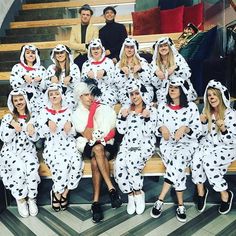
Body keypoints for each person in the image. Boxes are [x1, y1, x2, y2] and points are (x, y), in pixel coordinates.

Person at [150, 76, 202, 223]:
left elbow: (198, 131)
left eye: (176, 87)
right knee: (177, 165)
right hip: (168, 145)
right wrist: (162, 128)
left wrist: (185, 129)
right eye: (170, 87)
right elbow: (156, 127)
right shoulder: (162, 107)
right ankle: (180, 204)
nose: (172, 89)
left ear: (182, 90)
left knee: (178, 160)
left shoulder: (191, 107)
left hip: (187, 144)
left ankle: (161, 199)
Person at [71, 80, 122, 223]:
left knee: (95, 162)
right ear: (80, 97)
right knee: (97, 148)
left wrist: (105, 138)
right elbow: (87, 135)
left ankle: (95, 203)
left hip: (107, 143)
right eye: (86, 95)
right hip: (88, 145)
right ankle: (111, 188)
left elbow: (113, 130)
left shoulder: (105, 109)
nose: (90, 98)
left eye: (91, 94)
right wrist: (92, 112)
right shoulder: (76, 114)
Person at [191, 80, 236, 215]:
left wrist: (223, 129)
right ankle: (201, 192)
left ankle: (225, 193)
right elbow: (203, 134)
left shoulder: (232, 115)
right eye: (209, 95)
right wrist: (204, 123)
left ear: (221, 96)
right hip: (208, 144)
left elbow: (233, 141)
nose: (211, 97)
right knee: (196, 159)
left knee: (209, 162)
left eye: (214, 94)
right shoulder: (208, 113)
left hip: (227, 147)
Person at [37, 84, 83, 212]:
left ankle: (63, 193)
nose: (54, 96)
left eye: (56, 93)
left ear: (61, 95)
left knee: (76, 163)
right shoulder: (44, 112)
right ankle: (57, 193)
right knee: (61, 165)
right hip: (53, 145)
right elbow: (40, 133)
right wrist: (47, 123)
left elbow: (76, 131)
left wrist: (71, 124)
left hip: (69, 144)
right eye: (51, 94)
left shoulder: (69, 111)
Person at [114, 83, 157, 215]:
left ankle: (138, 192)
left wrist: (147, 117)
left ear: (142, 94)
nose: (134, 96)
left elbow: (149, 132)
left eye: (137, 93)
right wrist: (122, 117)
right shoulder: (125, 109)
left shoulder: (151, 110)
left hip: (144, 145)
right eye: (132, 94)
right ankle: (130, 194)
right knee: (119, 166)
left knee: (132, 162)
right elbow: (121, 130)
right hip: (127, 145)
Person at [0, 89, 40, 218]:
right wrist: (12, 127)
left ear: (25, 100)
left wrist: (31, 131)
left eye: (21, 99)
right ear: (12, 102)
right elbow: (4, 138)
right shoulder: (8, 118)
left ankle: (32, 198)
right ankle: (21, 199)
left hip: (27, 150)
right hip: (10, 151)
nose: (18, 102)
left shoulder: (32, 117)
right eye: (15, 100)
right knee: (19, 168)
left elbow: (35, 139)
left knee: (32, 168)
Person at [151, 37, 197, 105]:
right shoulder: (154, 63)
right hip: (165, 94)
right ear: (157, 49)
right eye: (161, 46)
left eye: (165, 45)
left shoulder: (178, 58)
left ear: (169, 47)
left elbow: (188, 74)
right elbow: (156, 85)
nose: (163, 48)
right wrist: (156, 75)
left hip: (181, 90)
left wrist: (176, 68)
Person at [114, 37, 153, 107]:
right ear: (124, 48)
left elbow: (148, 81)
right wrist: (122, 73)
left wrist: (141, 71)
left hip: (142, 89)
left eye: (131, 47)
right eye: (127, 47)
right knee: (128, 102)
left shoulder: (142, 61)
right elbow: (118, 85)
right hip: (126, 91)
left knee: (142, 99)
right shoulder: (118, 64)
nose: (129, 50)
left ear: (135, 49)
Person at [10, 44, 46, 116]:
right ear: (23, 54)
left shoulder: (41, 69)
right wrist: (23, 78)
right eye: (28, 53)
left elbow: (45, 87)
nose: (31, 55)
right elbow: (13, 85)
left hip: (38, 100)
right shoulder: (17, 67)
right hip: (21, 100)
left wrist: (40, 81)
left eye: (33, 53)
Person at [81, 38, 117, 107]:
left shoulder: (109, 62)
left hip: (107, 91)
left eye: (97, 48)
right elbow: (82, 82)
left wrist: (105, 74)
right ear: (90, 51)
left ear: (101, 49)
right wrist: (87, 77)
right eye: (93, 49)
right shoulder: (86, 64)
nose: (96, 51)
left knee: (104, 103)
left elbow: (113, 81)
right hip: (91, 92)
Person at [46, 44, 80, 110]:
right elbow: (44, 85)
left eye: (62, 52)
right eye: (57, 53)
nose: (59, 55)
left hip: (70, 97)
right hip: (54, 96)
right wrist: (50, 79)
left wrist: (71, 79)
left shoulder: (74, 67)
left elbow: (78, 85)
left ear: (66, 54)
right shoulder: (51, 68)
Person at [70, 4, 99, 70]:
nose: (85, 16)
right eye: (83, 14)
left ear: (90, 16)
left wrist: (78, 47)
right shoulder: (74, 28)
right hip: (77, 57)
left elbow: (93, 45)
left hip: (90, 57)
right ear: (80, 15)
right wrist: (85, 46)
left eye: (87, 15)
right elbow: (71, 45)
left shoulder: (95, 29)